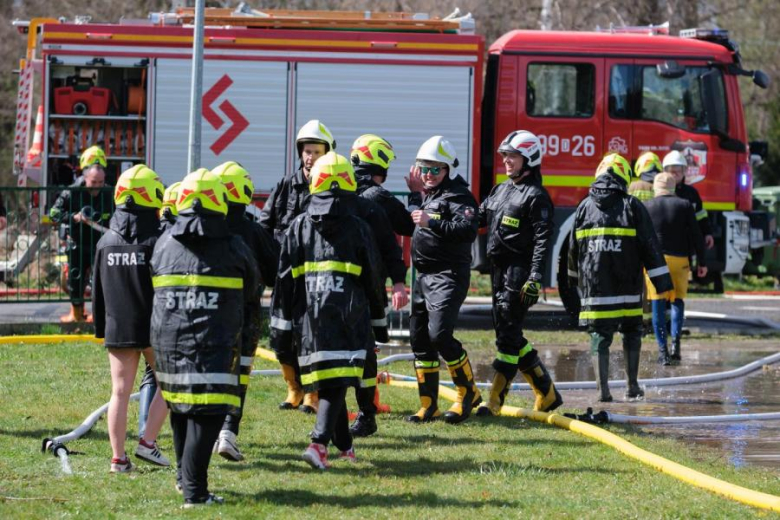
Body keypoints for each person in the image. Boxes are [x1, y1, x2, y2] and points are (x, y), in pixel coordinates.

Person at [270, 152, 387, 470]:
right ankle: (319, 444)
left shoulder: (298, 227)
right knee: (336, 381)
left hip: (309, 320)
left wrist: (280, 328)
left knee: (328, 381)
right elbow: (373, 279)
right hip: (350, 317)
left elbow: (284, 283)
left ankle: (345, 448)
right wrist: (380, 323)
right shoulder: (359, 228)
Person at [151, 169, 258, 507]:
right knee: (209, 414)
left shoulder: (165, 242)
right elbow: (254, 288)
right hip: (215, 344)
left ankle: (185, 481)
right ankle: (195, 493)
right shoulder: (232, 245)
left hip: (167, 342)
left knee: (181, 408)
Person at [567, 153, 672, 402]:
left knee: (600, 336)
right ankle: (631, 386)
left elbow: (573, 249)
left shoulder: (584, 207)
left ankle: (603, 392)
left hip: (596, 289)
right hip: (627, 288)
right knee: (632, 331)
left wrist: (573, 280)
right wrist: (662, 283)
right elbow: (650, 246)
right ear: (624, 176)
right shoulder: (631, 205)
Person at [474, 130, 562, 417]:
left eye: (512, 156)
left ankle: (495, 402)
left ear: (529, 158)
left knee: (507, 336)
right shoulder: (501, 189)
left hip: (520, 271)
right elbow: (478, 216)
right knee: (507, 330)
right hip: (498, 269)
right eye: (505, 156)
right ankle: (546, 393)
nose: (506, 161)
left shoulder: (537, 197)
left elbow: (542, 241)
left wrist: (535, 276)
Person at [92, 164, 170, 472]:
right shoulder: (158, 241)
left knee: (119, 392)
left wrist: (102, 326)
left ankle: (118, 459)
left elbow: (97, 290)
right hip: (154, 326)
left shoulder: (104, 242)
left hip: (118, 326)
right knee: (171, 384)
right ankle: (148, 442)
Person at [404, 136, 481, 424]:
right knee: (420, 340)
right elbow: (418, 215)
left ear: (448, 169)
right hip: (422, 277)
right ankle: (429, 405)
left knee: (440, 336)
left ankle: (467, 393)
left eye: (435, 169)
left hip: (447, 276)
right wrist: (415, 195)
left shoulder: (459, 196)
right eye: (424, 168)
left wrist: (431, 222)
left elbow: (467, 230)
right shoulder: (429, 194)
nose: (428, 174)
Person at [261, 119, 336, 414]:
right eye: (306, 151)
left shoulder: (331, 188)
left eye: (316, 151)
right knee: (280, 335)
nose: (309, 157)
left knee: (311, 337)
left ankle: (313, 394)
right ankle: (294, 388)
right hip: (284, 276)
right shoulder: (285, 185)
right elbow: (264, 226)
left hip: (314, 278)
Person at [211, 161, 279, 461]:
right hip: (247, 315)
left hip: (207, 313)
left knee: (210, 372)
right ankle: (228, 431)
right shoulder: (253, 231)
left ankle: (206, 432)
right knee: (239, 374)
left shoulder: (203, 228)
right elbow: (276, 269)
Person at [348, 133, 411, 437]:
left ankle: (337, 409)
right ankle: (365, 412)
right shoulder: (378, 199)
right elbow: (404, 230)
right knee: (367, 349)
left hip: (336, 287)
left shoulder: (337, 193)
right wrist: (417, 195)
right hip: (369, 288)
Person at [644, 172, 707, 365]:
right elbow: (697, 235)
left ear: (656, 188)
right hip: (680, 261)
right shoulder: (685, 205)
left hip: (656, 262)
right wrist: (702, 263)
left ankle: (662, 352)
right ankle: (676, 347)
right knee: (677, 302)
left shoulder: (647, 206)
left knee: (658, 305)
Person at [137, 181, 181, 441]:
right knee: (170, 374)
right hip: (172, 313)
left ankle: (145, 427)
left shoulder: (152, 233)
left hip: (150, 312)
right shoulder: (178, 237)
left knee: (150, 373)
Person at [49, 146, 113, 323]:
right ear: (85, 178)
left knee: (102, 282)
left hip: (101, 245)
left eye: (101, 182)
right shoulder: (71, 192)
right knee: (75, 281)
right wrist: (74, 217)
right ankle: (76, 314)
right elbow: (54, 213)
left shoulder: (110, 193)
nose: (98, 187)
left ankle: (98, 316)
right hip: (77, 243)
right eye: (94, 182)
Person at [664, 151, 714, 250]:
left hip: (686, 243)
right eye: (671, 169)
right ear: (665, 171)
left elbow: (700, 215)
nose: (675, 173)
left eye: (678, 169)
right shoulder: (659, 191)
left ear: (684, 171)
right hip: (665, 243)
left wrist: (707, 233)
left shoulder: (691, 193)